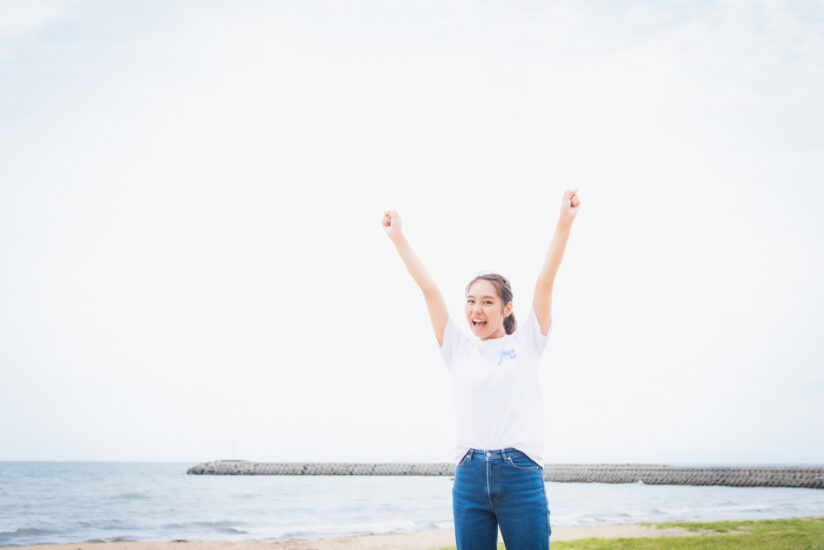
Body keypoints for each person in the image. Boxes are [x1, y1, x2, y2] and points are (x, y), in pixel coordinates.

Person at [381, 189, 581, 550]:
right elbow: (429, 290)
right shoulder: (458, 349)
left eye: (487, 301)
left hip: (520, 473)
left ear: (506, 309)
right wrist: (399, 237)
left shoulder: (528, 342)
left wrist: (564, 222)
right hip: (469, 475)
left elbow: (545, 280)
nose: (477, 309)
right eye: (471, 301)